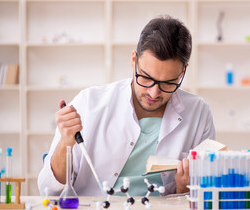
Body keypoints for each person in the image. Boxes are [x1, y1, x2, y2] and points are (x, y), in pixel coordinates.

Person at [38, 15, 215, 196]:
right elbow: (48, 189)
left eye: (168, 83)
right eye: (146, 78)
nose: (154, 93)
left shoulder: (198, 113)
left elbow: (206, 194)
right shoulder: (89, 103)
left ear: (182, 72)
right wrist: (65, 144)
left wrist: (184, 189)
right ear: (133, 60)